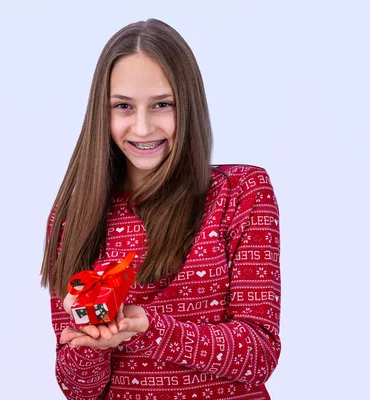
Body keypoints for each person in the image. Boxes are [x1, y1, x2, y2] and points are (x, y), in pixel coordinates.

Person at [40, 18, 281, 400]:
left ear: (188, 105)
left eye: (161, 105)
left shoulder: (242, 193)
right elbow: (79, 390)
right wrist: (89, 346)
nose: (142, 127)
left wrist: (148, 329)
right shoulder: (75, 215)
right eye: (123, 106)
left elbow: (258, 354)